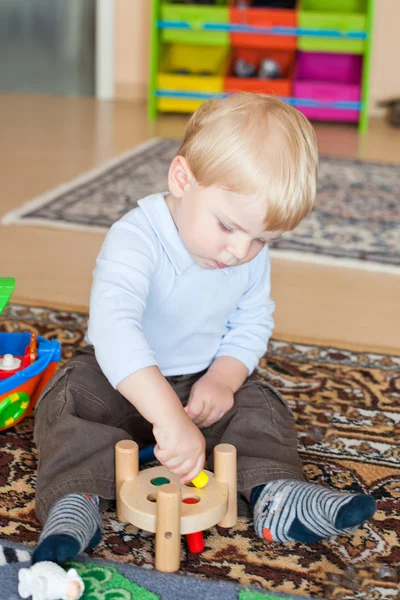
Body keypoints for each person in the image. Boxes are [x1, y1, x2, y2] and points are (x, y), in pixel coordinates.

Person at [32, 93, 376, 565]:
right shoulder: (135, 238)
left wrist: (224, 378)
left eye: (261, 239)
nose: (240, 251)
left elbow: (252, 322)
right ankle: (76, 502)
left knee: (260, 405)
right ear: (182, 179)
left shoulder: (246, 252)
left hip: (199, 383)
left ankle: (277, 493)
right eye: (228, 227)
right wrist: (166, 417)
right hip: (122, 380)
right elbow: (115, 329)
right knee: (69, 397)